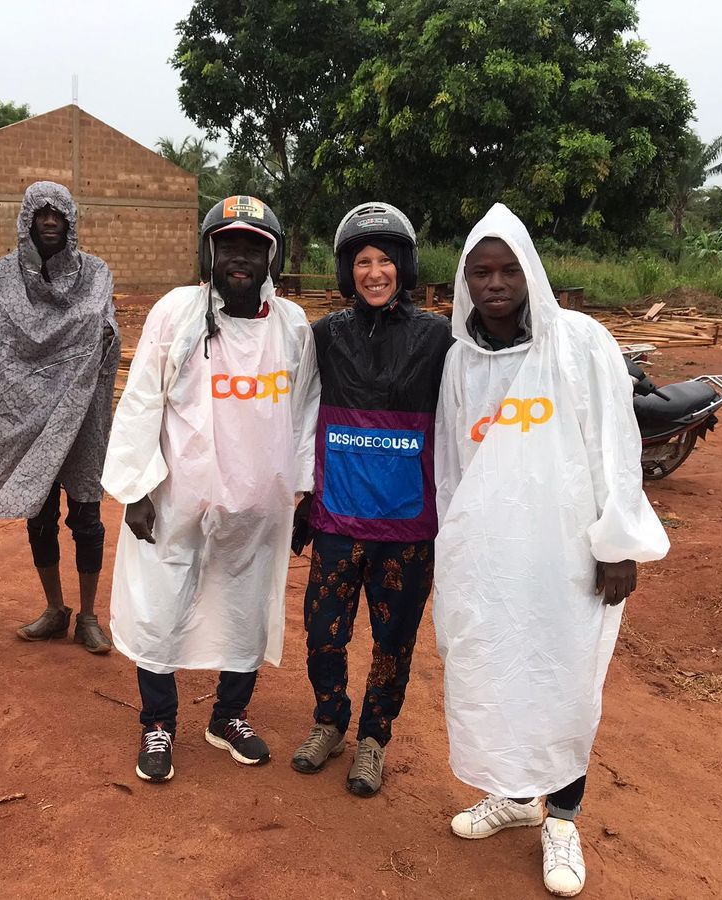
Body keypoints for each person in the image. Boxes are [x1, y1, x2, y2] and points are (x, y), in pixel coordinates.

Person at [433, 203, 670, 896]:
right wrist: (455, 552)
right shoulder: (459, 364)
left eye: (509, 269)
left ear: (531, 272)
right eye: (482, 271)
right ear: (465, 281)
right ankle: (512, 798)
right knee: (495, 673)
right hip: (489, 559)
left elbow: (616, 448)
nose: (497, 283)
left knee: (564, 683)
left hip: (567, 554)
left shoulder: (581, 344)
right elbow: (452, 466)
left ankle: (561, 820)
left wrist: (618, 541)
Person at [102, 195, 319, 784]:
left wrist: (304, 491)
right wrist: (138, 488)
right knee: (161, 608)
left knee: (246, 612)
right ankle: (159, 724)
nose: (240, 258)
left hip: (258, 505)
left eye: (254, 246)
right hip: (179, 499)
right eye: (229, 246)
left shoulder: (293, 327)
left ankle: (229, 716)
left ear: (271, 256)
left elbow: (304, 413)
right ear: (211, 252)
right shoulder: (176, 314)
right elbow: (144, 398)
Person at [290, 202, 453, 797]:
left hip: (408, 527)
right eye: (362, 261)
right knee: (323, 631)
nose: (375, 272)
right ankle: (330, 720)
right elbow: (296, 406)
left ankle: (373, 739)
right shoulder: (325, 336)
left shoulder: (438, 336)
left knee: (393, 640)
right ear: (346, 270)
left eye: (386, 260)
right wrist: (298, 493)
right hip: (338, 518)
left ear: (405, 265)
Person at [0, 182, 120, 653]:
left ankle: (90, 616)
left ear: (71, 220)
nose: (51, 221)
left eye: (59, 213)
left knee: (87, 516)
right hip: (24, 414)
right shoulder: (2, 278)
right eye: (42, 213)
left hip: (81, 414)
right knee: (38, 515)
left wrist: (99, 343)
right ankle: (55, 609)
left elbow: (108, 334)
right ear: (27, 220)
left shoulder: (96, 274)